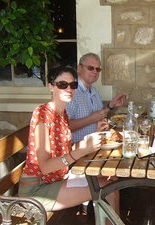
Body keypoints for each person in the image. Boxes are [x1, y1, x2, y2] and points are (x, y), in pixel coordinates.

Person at [18, 66, 119, 215]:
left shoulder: (62, 114)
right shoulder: (42, 114)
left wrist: (92, 137)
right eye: (62, 85)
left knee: (110, 178)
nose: (69, 89)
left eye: (73, 85)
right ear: (51, 87)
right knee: (108, 188)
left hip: (57, 179)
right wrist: (82, 151)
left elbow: (66, 149)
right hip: (37, 189)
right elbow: (45, 167)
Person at [66, 53, 127, 143]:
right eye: (91, 68)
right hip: (78, 151)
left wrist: (111, 105)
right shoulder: (71, 92)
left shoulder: (94, 92)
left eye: (98, 69)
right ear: (79, 68)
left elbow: (100, 115)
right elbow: (65, 126)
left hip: (97, 145)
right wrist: (91, 119)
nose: (95, 72)